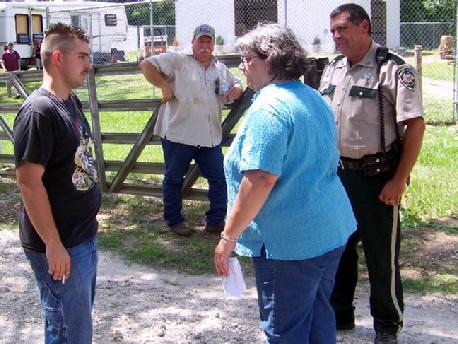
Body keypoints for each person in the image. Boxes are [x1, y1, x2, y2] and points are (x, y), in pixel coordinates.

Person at [214, 23, 356, 343]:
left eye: (247, 58)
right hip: (330, 230)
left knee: (285, 329)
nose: (242, 65)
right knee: (318, 315)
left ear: (270, 60)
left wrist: (228, 237)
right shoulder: (311, 96)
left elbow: (261, 179)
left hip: (291, 243)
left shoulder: (269, 107)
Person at [319, 4, 425, 343]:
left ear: (364, 27)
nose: (336, 37)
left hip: (377, 178)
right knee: (340, 248)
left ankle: (387, 325)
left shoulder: (393, 69)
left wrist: (398, 180)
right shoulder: (333, 68)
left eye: (342, 30)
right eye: (333, 31)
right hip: (337, 177)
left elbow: (415, 125)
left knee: (382, 256)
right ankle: (340, 314)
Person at [13, 23, 101, 343]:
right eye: (82, 56)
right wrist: (52, 244)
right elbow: (28, 183)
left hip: (82, 237)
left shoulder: (70, 102)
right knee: (67, 331)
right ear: (59, 58)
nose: (88, 64)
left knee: (78, 326)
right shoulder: (39, 111)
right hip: (59, 245)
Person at [139, 24, 243, 236]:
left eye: (208, 41)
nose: (205, 45)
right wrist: (164, 86)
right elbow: (146, 65)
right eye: (201, 41)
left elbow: (238, 84)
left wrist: (236, 90)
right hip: (179, 133)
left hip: (210, 137)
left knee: (219, 178)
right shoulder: (177, 60)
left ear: (213, 44)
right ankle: (174, 220)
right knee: (174, 178)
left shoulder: (220, 68)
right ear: (193, 42)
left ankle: (215, 221)